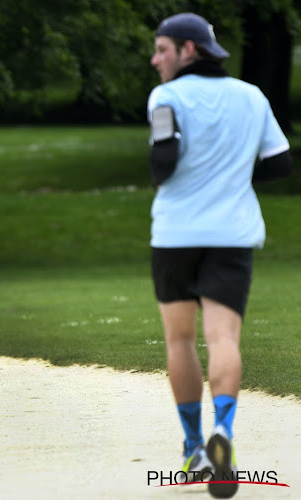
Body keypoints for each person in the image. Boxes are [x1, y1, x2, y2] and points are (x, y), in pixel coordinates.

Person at [147, 12, 291, 499]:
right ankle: (223, 435)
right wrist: (230, 174)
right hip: (233, 232)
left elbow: (162, 164)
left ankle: (193, 450)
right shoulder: (252, 96)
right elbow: (280, 163)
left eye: (162, 49)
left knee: (181, 339)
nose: (155, 59)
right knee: (224, 337)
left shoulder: (165, 98)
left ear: (189, 50)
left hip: (176, 234)